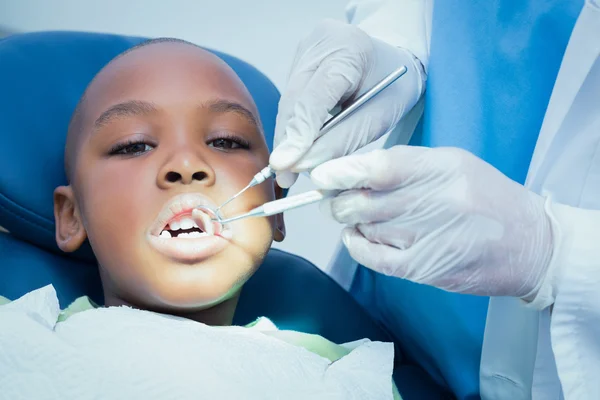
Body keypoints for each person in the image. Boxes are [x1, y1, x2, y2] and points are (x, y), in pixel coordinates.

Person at [0, 38, 400, 399]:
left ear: (276, 206)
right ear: (72, 216)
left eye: (226, 141)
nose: (188, 165)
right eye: (134, 145)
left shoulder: (348, 375)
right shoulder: (16, 335)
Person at [270, 0, 600, 399]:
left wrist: (557, 254)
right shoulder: (314, 320)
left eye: (225, 142)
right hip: (400, 322)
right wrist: (394, 48)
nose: (184, 168)